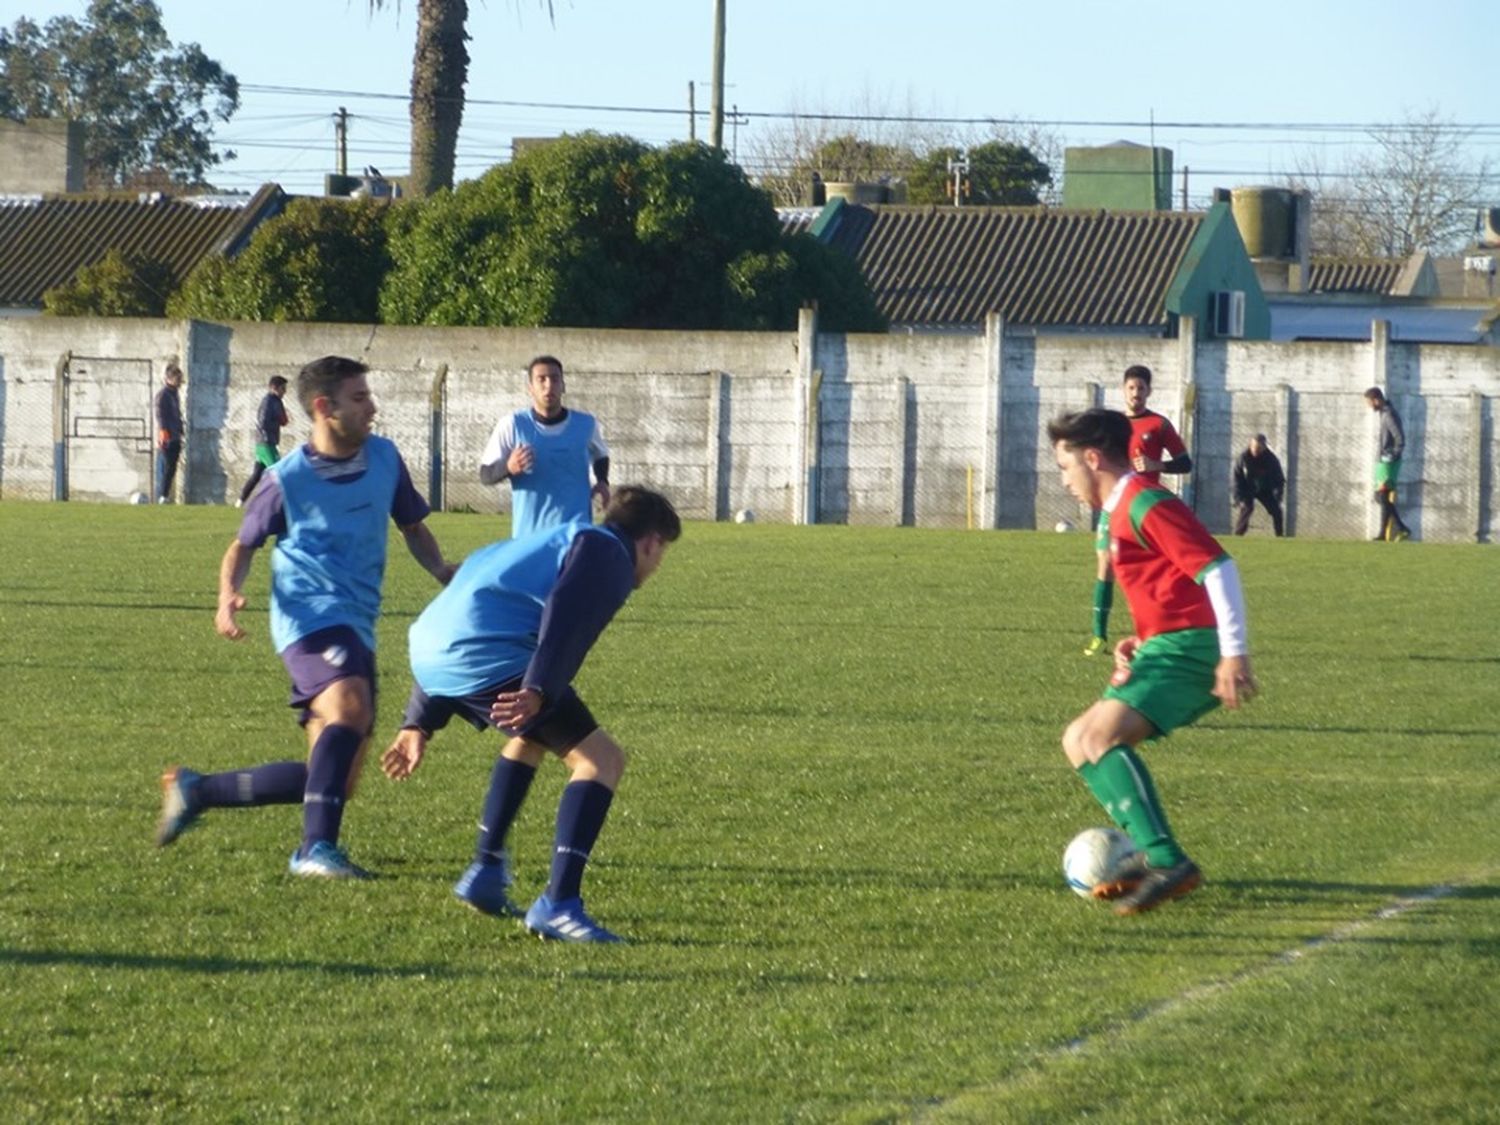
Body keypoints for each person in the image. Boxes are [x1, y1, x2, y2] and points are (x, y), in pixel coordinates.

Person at [155, 355, 456, 878]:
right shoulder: (285, 479)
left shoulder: (384, 458)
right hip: (307, 620)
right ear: (324, 407)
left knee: (335, 779)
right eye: (359, 398)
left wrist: (442, 571)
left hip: (357, 621)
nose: (372, 407)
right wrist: (227, 595)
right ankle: (314, 851)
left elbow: (412, 526)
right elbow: (243, 545)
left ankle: (197, 790)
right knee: (351, 704)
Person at [381, 486, 681, 943]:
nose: (658, 566)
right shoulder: (608, 553)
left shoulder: (553, 539)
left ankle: (486, 869)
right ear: (652, 541)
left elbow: (464, 603)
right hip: (485, 654)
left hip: (432, 650)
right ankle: (559, 904)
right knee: (601, 761)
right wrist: (538, 689)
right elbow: (564, 616)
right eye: (662, 555)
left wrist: (418, 721)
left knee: (529, 736)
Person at [1049, 407, 1256, 915]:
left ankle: (1167, 860)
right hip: (1169, 644)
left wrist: (1233, 654)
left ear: (1093, 458)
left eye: (1065, 466)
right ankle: (1153, 856)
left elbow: (1218, 569)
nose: (1064, 479)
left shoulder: (1143, 501)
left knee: (1098, 738)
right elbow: (1169, 585)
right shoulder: (1121, 508)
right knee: (1079, 740)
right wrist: (1142, 638)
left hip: (1193, 651)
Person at [1084, 365, 1192, 656]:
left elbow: (1185, 463)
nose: (1136, 394)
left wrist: (1159, 466)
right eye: (1131, 388)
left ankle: (1162, 632)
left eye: (1141, 388)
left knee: (1151, 573)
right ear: (1124, 390)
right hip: (1114, 504)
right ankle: (1098, 635)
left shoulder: (1159, 425)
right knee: (1106, 563)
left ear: (1149, 391)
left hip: (1146, 508)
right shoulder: (1114, 425)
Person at [479, 355, 611, 538]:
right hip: (530, 536)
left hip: (576, 534)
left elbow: (600, 454)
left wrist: (602, 481)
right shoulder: (512, 425)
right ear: (530, 388)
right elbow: (485, 475)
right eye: (541, 379)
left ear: (563, 386)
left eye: (555, 379)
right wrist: (508, 467)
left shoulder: (586, 425)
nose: (549, 385)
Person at [1364, 387, 1411, 541]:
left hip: (1388, 462)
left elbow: (1400, 438)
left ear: (1376, 399)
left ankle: (1402, 528)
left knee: (1380, 496)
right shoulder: (1384, 413)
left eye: (1369, 402)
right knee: (1381, 496)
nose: (1369, 405)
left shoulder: (1389, 414)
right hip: (1383, 461)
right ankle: (1384, 534)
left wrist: (1392, 455)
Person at [236, 375, 292, 506]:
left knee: (256, 475)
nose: (285, 391)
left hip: (266, 442)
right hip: (266, 443)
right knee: (279, 472)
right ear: (274, 388)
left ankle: (240, 502)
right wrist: (266, 438)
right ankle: (280, 503)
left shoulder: (277, 401)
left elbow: (283, 421)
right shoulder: (268, 401)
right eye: (283, 388)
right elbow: (263, 421)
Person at [1231, 434, 1286, 537]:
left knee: (1277, 511)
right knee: (1247, 508)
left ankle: (1280, 536)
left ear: (1264, 448)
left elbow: (1279, 479)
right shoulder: (1243, 458)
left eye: (1259, 448)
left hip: (1264, 489)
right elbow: (1236, 479)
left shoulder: (1271, 459)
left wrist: (1278, 496)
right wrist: (1238, 498)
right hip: (1247, 488)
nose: (1256, 450)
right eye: (1254, 447)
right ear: (1250, 445)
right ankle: (1238, 535)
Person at [154, 363, 185, 504]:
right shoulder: (163, 395)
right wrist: (163, 430)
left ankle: (164, 495)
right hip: (166, 436)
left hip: (176, 435)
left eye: (179, 378)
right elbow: (160, 414)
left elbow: (176, 414)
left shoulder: (175, 394)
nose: (179, 382)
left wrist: (180, 429)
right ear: (168, 379)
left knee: (172, 467)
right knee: (165, 466)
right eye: (176, 378)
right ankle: (161, 495)